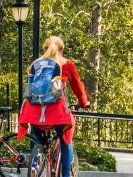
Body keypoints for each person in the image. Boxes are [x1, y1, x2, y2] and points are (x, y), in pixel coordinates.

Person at [17, 37, 91, 177]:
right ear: (62, 50)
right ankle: (66, 175)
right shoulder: (67, 64)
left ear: (44, 49)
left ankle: (36, 162)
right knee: (66, 139)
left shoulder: (35, 64)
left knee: (39, 140)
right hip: (57, 113)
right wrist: (83, 102)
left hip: (33, 111)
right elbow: (78, 87)